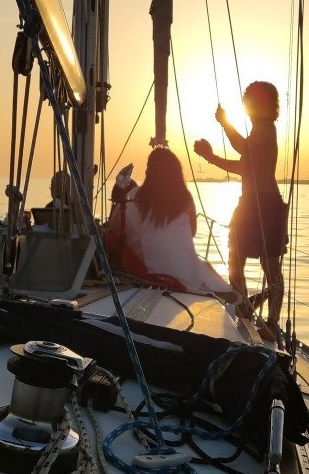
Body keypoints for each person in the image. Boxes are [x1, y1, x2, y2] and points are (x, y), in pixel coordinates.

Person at [194, 80, 287, 338]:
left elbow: (243, 148)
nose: (246, 101)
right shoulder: (259, 130)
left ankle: (273, 322)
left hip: (266, 204)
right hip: (249, 203)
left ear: (263, 102)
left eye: (250, 98)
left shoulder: (266, 128)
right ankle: (244, 308)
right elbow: (243, 167)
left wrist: (224, 122)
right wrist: (209, 156)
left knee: (271, 267)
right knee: (235, 257)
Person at [108, 145, 237, 297]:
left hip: (151, 275)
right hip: (187, 274)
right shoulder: (185, 198)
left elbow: (114, 229)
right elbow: (192, 232)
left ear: (149, 171)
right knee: (204, 267)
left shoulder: (133, 198)